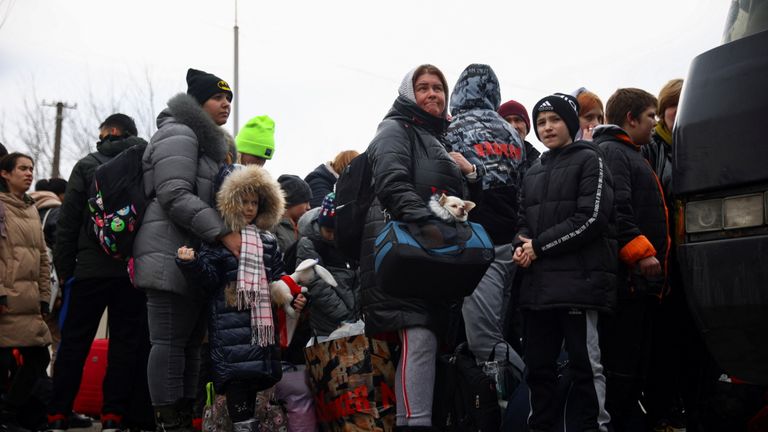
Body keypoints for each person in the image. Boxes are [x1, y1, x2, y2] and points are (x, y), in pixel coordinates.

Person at [132, 68, 237, 431]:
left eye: (229, 98)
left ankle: (185, 417)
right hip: (166, 254)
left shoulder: (208, 143)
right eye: (218, 97)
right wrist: (224, 233)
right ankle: (168, 422)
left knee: (190, 345)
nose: (226, 104)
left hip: (191, 256)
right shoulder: (179, 132)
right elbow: (174, 194)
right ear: (197, 101)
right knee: (169, 343)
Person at [360, 64, 462, 431]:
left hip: (429, 258)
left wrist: (470, 175)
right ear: (408, 93)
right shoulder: (394, 129)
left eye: (439, 88)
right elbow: (391, 182)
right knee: (418, 340)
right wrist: (430, 227)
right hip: (403, 256)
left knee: (426, 343)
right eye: (423, 88)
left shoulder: (437, 139)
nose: (433, 94)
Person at [513, 94, 615, 432]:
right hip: (538, 288)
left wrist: (538, 247)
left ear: (570, 123)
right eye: (541, 122)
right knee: (538, 368)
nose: (547, 127)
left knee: (586, 366)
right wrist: (522, 246)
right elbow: (522, 221)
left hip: (578, 286)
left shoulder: (592, 159)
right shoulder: (533, 171)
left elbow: (592, 218)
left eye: (554, 120)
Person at [176, 164, 300, 432]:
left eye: (254, 202)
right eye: (242, 201)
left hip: (260, 332)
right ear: (229, 202)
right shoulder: (216, 242)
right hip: (230, 329)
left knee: (254, 386)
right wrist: (192, 264)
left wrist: (292, 295)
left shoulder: (267, 241)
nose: (249, 208)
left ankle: (248, 425)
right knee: (237, 386)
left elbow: (278, 275)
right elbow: (207, 281)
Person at [47, 114, 150, 432]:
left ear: (106, 133)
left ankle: (57, 415)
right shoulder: (144, 161)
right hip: (130, 271)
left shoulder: (86, 164)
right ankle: (112, 417)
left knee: (74, 344)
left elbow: (69, 223)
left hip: (89, 270)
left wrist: (66, 271)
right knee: (124, 346)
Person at [593, 88, 670, 430]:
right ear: (631, 118)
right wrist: (641, 254)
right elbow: (616, 210)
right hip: (627, 282)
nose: (654, 123)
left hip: (643, 283)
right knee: (622, 365)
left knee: (638, 363)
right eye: (651, 115)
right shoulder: (613, 152)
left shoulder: (632, 152)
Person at [444, 64, 525, 373]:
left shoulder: (451, 130)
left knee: (483, 340)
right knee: (498, 330)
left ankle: (530, 401)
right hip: (510, 244)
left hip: (475, 243)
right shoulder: (511, 133)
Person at [0, 153, 52, 432]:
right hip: (6, 299)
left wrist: (44, 295)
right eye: (22, 168)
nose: (29, 173)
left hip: (30, 300)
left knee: (39, 357)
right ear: (5, 174)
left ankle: (9, 412)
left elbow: (42, 256)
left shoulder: (31, 208)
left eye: (31, 168)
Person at [498, 98, 541, 171]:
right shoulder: (485, 160)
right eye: (507, 121)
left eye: (518, 120)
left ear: (527, 127)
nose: (513, 126)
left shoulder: (541, 166)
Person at [272, 175, 312, 253]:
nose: (309, 207)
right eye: (305, 201)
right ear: (291, 201)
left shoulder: (305, 227)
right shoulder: (271, 226)